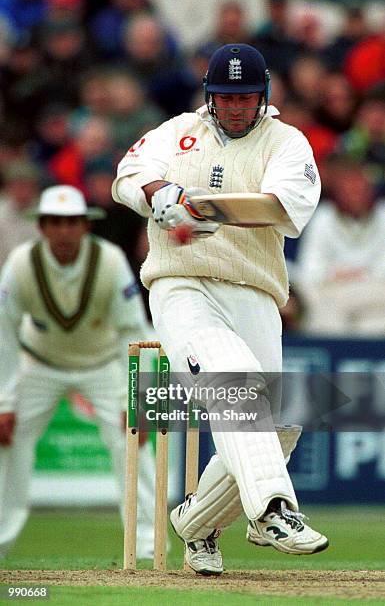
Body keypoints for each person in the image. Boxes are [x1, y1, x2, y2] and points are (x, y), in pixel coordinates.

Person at [112, 43, 328, 575]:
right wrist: (159, 192)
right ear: (210, 96)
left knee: (279, 418)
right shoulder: (177, 130)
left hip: (253, 292)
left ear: (265, 95)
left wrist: (203, 207)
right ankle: (275, 509)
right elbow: (127, 174)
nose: (235, 107)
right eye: (225, 97)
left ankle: (197, 526)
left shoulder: (287, 142)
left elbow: (281, 206)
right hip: (180, 286)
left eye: (246, 96)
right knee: (233, 378)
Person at [0, 185, 156, 560]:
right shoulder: (21, 263)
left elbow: (133, 331)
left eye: (72, 222)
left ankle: (149, 550)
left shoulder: (110, 261)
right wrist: (5, 401)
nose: (64, 232)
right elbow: (4, 334)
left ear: (86, 226)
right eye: (55, 222)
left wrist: (137, 399)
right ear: (42, 227)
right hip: (38, 362)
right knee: (7, 442)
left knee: (133, 441)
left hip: (103, 364)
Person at [295, 155, 385, 336]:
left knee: (372, 323)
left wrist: (352, 275)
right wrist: (343, 274)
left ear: (370, 191)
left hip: (372, 292)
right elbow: (310, 270)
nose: (355, 196)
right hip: (330, 292)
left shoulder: (383, 216)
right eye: (349, 191)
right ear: (338, 193)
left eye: (360, 190)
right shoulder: (322, 218)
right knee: (322, 307)